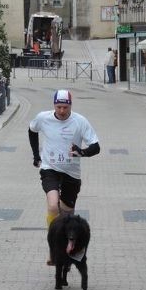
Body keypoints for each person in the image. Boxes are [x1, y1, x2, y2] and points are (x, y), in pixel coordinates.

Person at [28, 89, 100, 258]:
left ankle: (71, 249)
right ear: (54, 105)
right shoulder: (43, 118)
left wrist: (81, 152)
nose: (61, 111)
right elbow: (32, 130)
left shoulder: (80, 121)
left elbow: (96, 147)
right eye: (59, 107)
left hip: (71, 173)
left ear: (70, 106)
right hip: (49, 168)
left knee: (67, 216)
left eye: (65, 107)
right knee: (53, 205)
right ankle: (54, 247)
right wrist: (36, 155)